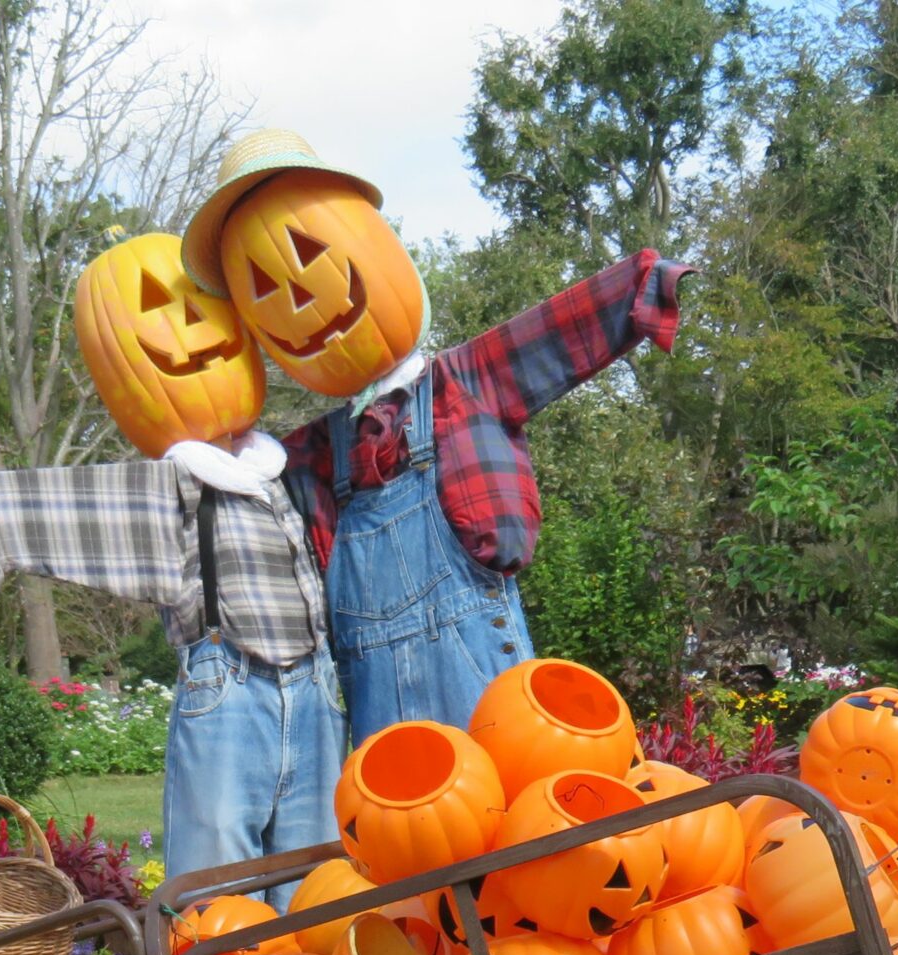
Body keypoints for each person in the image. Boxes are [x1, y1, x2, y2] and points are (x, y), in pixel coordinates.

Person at [182, 130, 692, 742]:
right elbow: (240, 489)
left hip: (491, 700)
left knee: (514, 831)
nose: (296, 299)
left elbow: (553, 330)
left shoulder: (466, 384)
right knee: (402, 835)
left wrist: (644, 286)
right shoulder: (311, 458)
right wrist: (205, 433)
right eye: (260, 289)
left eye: (310, 251)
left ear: (368, 242)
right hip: (382, 736)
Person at [0, 231, 343, 894]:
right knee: (217, 884)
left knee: (317, 879)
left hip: (313, 696)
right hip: (231, 693)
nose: (191, 328)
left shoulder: (284, 474)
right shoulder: (176, 489)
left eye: (205, 308)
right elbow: (79, 507)